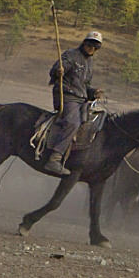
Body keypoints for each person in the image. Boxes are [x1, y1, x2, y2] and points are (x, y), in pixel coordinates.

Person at [42, 30, 103, 176]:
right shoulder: (70, 55)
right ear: (84, 42)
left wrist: (93, 92)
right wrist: (58, 71)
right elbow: (55, 70)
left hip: (81, 100)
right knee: (74, 123)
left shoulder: (90, 63)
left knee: (93, 121)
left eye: (95, 46)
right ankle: (55, 158)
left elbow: (85, 86)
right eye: (90, 44)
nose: (91, 48)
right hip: (66, 96)